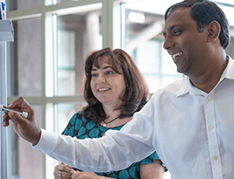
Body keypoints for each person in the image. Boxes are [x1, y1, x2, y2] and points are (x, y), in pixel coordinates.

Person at [3, 0, 234, 179]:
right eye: (163, 35)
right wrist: (35, 135)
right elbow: (105, 152)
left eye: (176, 32)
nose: (166, 44)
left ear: (211, 31)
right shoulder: (163, 104)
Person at [52, 48, 166, 179]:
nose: (99, 80)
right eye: (94, 74)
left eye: (109, 72)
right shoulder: (79, 120)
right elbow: (64, 164)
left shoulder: (145, 123)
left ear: (129, 80)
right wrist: (61, 173)